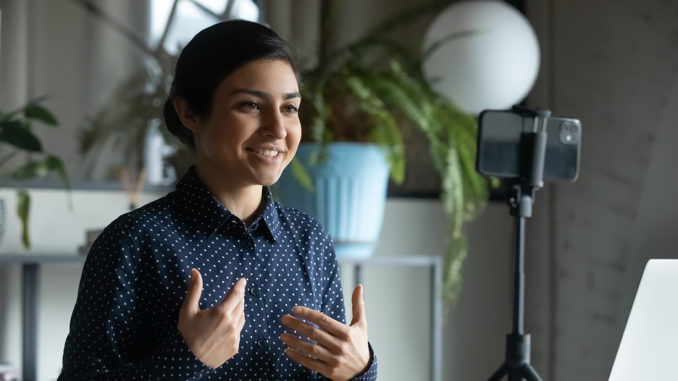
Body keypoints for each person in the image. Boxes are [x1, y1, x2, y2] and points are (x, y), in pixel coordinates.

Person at [58, 20, 377, 380]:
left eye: (289, 108)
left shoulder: (310, 241)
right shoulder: (134, 242)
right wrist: (186, 359)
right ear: (190, 113)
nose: (277, 128)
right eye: (251, 105)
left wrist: (358, 370)